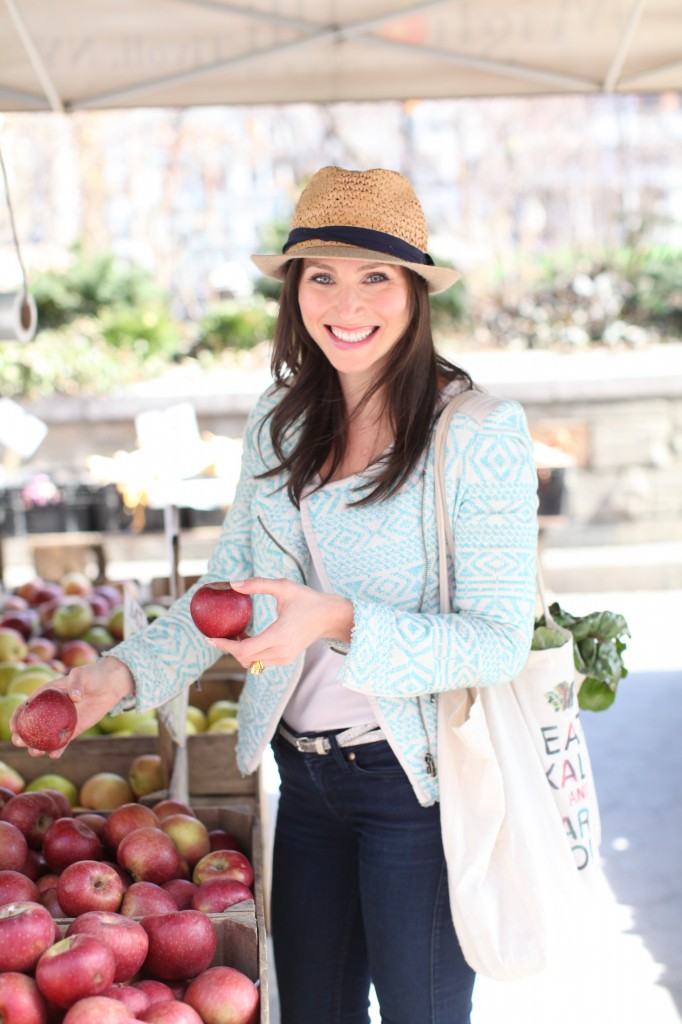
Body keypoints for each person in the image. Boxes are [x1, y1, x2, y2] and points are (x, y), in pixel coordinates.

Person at [11, 166, 538, 1024]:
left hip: (416, 786)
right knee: (312, 1012)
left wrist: (335, 622)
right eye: (320, 276)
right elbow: (230, 594)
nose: (347, 301)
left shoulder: (475, 434)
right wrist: (115, 676)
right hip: (307, 779)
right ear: (294, 292)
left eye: (376, 276)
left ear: (415, 292)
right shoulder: (282, 421)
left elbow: (496, 639)